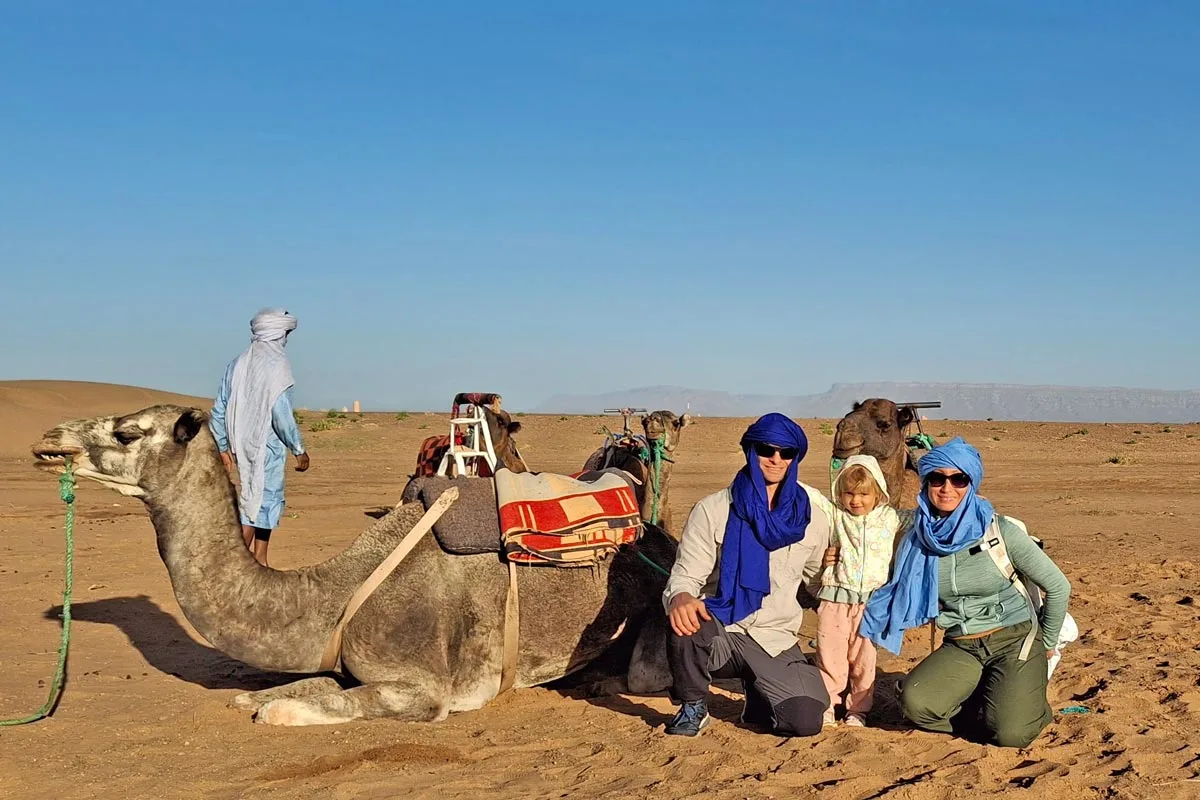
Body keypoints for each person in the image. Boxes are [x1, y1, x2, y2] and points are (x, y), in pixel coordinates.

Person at [859, 437, 1070, 748]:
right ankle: (995, 707)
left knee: (1011, 735)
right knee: (915, 705)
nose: (947, 488)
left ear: (971, 483)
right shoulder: (917, 538)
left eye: (958, 479)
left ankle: (1028, 711)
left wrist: (1048, 642)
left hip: (1014, 637)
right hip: (961, 643)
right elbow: (867, 542)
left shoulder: (999, 531)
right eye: (937, 478)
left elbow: (1058, 586)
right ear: (926, 483)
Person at [662, 413, 832, 737]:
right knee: (685, 622)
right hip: (723, 627)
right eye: (767, 449)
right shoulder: (713, 510)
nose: (776, 459)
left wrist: (847, 575)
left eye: (786, 452)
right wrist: (681, 596)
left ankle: (760, 691)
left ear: (796, 458)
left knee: (805, 720)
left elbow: (814, 581)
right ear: (751, 451)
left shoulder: (813, 520)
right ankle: (694, 705)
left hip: (774, 636)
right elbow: (685, 575)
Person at [208, 308, 310, 567]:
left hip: (241, 442)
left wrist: (223, 446)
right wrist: (298, 448)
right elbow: (281, 412)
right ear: (278, 333)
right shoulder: (278, 365)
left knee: (255, 498)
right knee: (261, 501)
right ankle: (240, 563)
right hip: (267, 444)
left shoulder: (237, 364)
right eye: (286, 333)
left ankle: (260, 558)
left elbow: (220, 408)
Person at [815, 455, 900, 728]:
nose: (856, 500)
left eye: (864, 494)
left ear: (878, 494)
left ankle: (858, 711)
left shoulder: (891, 518)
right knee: (830, 657)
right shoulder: (835, 515)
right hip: (835, 600)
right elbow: (810, 496)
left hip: (871, 606)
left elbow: (928, 512)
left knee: (864, 662)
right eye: (849, 493)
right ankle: (827, 706)